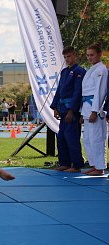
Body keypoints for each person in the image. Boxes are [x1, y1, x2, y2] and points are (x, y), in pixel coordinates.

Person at [50, 46, 85, 173]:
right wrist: (55, 107)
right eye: (65, 57)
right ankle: (64, 162)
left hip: (72, 110)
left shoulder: (79, 71)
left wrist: (72, 110)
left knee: (71, 137)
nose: (67, 59)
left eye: (69, 56)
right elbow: (59, 90)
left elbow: (78, 92)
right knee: (61, 137)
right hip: (62, 108)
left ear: (75, 56)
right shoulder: (64, 72)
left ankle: (76, 164)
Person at [80, 43, 108, 176]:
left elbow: (100, 91)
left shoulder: (101, 70)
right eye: (88, 55)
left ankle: (100, 167)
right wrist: (82, 112)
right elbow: (84, 92)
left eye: (92, 55)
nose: (89, 57)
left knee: (97, 139)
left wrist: (95, 110)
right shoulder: (91, 69)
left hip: (94, 108)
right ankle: (94, 164)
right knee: (87, 139)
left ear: (99, 54)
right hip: (86, 107)